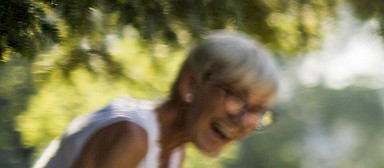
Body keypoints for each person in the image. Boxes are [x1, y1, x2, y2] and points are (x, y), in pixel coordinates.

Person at [32, 31, 280, 168]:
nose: (243, 120)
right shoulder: (131, 136)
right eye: (236, 97)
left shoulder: (173, 154)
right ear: (190, 83)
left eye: (257, 110)